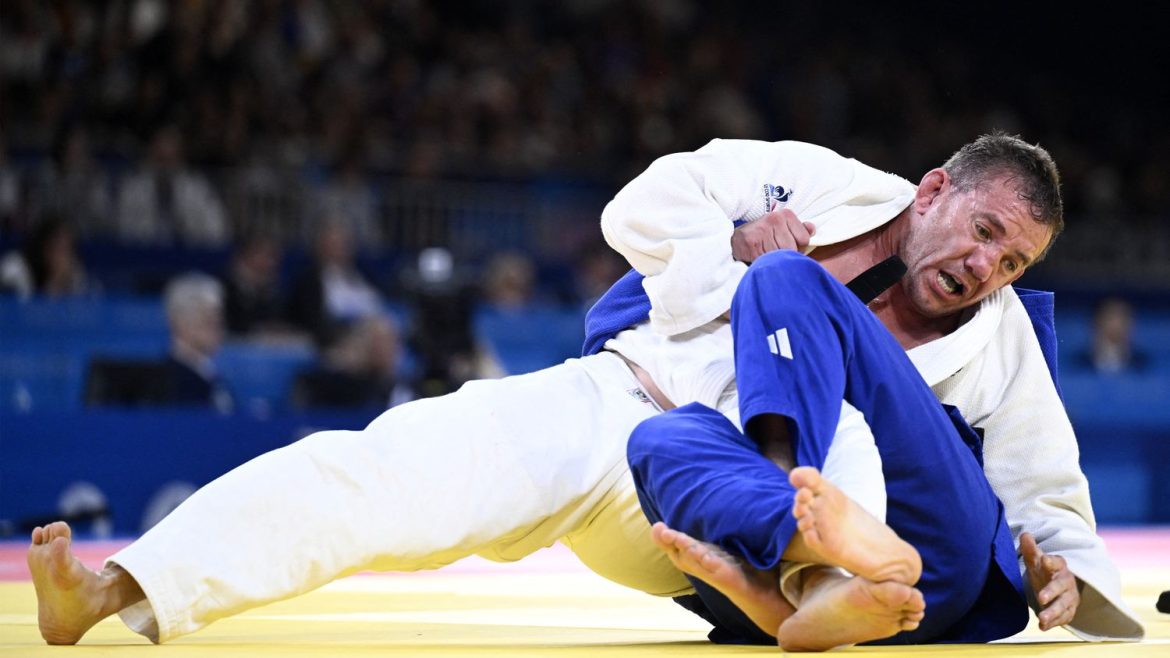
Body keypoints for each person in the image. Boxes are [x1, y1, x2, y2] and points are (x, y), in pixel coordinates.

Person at [26, 134, 1143, 645]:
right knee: (387, 462)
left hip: (810, 500)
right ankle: (122, 587)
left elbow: (1046, 480)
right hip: (631, 410)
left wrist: (1069, 581)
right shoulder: (811, 182)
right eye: (986, 233)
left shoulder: (997, 339)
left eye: (1015, 263)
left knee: (838, 435)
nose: (987, 269)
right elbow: (637, 211)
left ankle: (818, 577)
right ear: (938, 188)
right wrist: (733, 237)